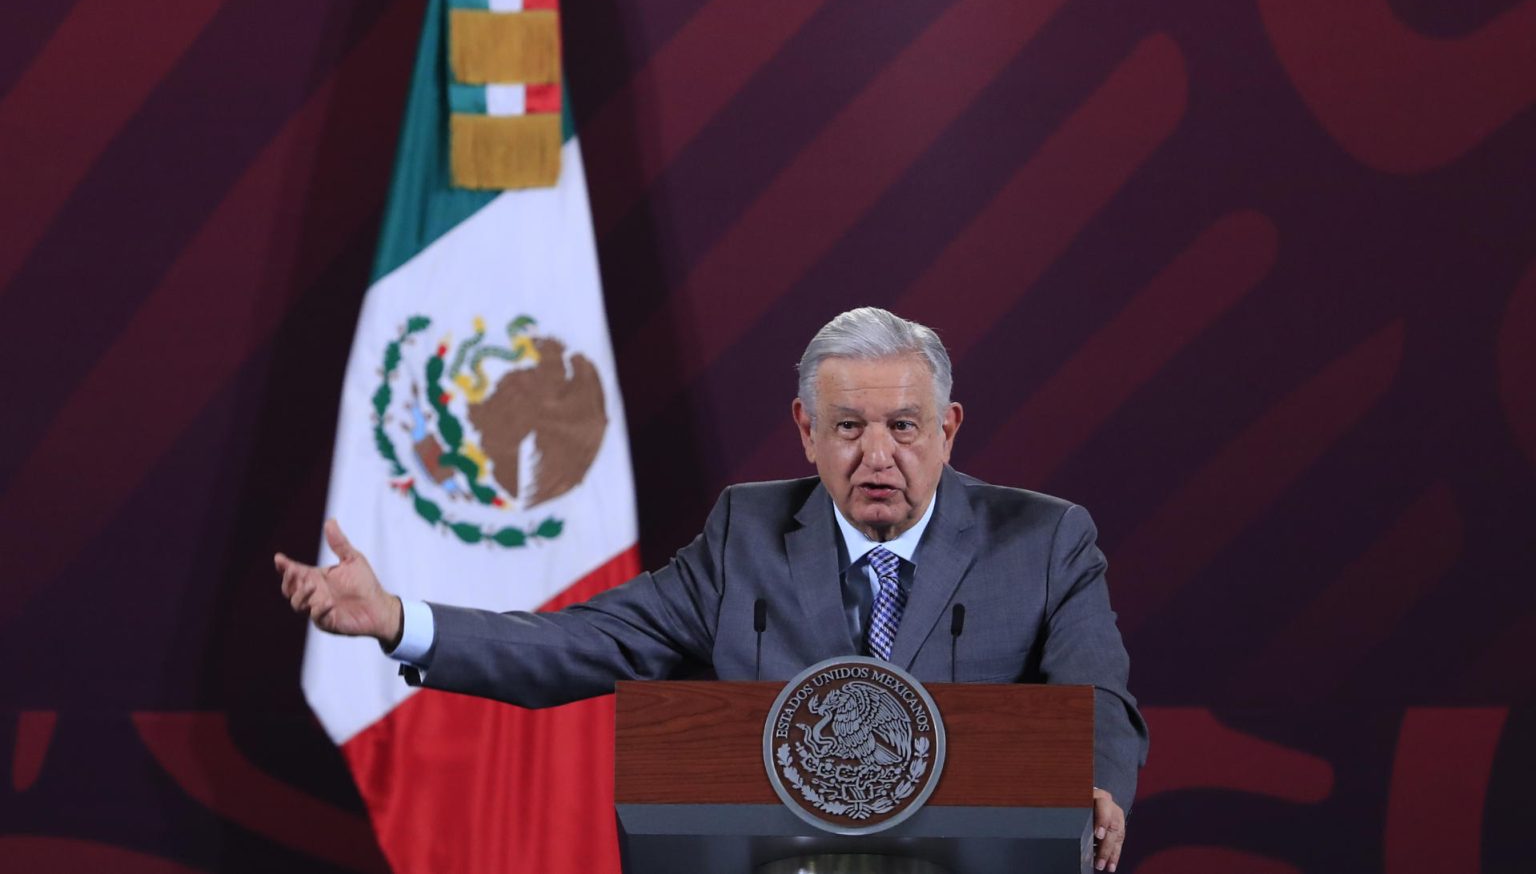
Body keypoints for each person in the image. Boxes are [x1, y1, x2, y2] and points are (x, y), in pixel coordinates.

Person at [276, 307, 1147, 871]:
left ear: (948, 430)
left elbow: (1099, 695)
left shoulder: (1043, 541)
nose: (877, 455)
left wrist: (1096, 786)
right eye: (848, 427)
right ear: (806, 432)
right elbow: (586, 642)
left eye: (903, 427)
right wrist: (399, 620)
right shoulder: (746, 537)